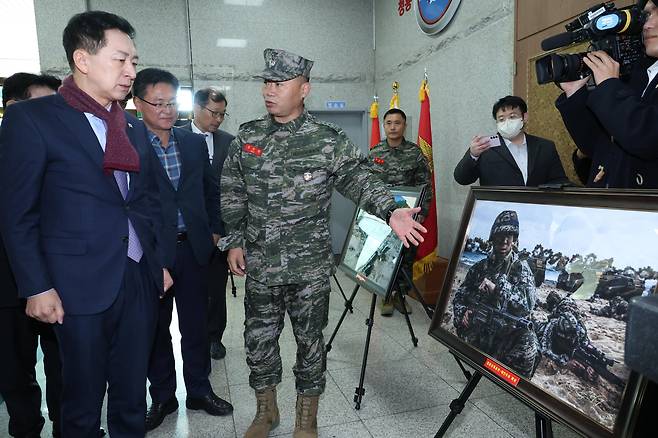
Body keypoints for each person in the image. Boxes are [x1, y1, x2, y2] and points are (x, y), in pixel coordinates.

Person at [220, 48, 426, 438]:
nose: (269, 90)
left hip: (309, 267)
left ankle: (306, 419)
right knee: (258, 339)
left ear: (304, 89)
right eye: (266, 82)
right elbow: (233, 191)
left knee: (310, 342)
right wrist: (233, 240)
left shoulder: (328, 140)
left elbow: (359, 180)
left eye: (279, 83)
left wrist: (392, 208)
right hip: (261, 263)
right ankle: (267, 411)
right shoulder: (248, 136)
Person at [0, 11, 172, 437]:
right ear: (82, 59)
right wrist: (36, 285)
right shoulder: (34, 119)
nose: (132, 71)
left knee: (133, 397)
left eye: (134, 60)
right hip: (75, 285)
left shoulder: (130, 125)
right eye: (121, 60)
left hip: (135, 278)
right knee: (80, 402)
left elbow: (146, 201)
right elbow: (17, 213)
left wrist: (157, 263)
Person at [131, 68, 232, 431]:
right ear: (137, 102)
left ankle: (200, 390)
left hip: (194, 249)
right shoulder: (127, 142)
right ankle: (162, 396)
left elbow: (210, 190)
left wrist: (217, 230)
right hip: (152, 253)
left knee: (196, 325)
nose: (166, 110)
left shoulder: (190, 142)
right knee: (157, 329)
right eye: (157, 103)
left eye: (172, 102)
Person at [0, 73, 75, 438]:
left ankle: (69, 425)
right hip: (6, 283)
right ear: (14, 108)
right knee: (15, 369)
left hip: (60, 278)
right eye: (43, 107)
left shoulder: (57, 151)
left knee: (65, 363)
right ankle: (26, 428)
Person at [556, 0, 658, 188]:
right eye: (647, 15)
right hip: (611, 208)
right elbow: (597, 146)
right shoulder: (639, 74)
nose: (648, 24)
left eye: (656, 13)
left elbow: (647, 138)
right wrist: (575, 94)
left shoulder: (618, 84)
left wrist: (610, 86)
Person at [452, 210, 539, 378]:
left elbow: (527, 306)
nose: (505, 240)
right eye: (501, 234)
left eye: (510, 235)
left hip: (505, 335)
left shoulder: (521, 269)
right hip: (479, 329)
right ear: (493, 236)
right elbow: (460, 296)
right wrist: (463, 312)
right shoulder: (479, 267)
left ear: (514, 239)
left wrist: (498, 288)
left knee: (529, 342)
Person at [181, 87, 234, 360]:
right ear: (197, 108)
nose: (218, 120)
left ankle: (215, 336)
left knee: (216, 287)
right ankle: (193, 337)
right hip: (185, 230)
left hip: (218, 228)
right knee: (190, 289)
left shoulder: (228, 141)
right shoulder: (177, 135)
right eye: (214, 113)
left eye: (223, 114)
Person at [369, 108, 431, 316]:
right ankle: (385, 295)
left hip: (408, 215)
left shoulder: (414, 153)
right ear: (384, 126)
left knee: (406, 255)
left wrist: (423, 212)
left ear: (404, 126)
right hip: (382, 215)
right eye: (389, 123)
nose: (393, 126)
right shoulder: (375, 152)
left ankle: (400, 296)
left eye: (397, 123)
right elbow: (367, 184)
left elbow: (425, 184)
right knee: (384, 253)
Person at [454, 95, 569, 187]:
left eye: (512, 117)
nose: (507, 122)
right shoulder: (485, 147)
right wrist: (473, 155)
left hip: (536, 211)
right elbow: (462, 179)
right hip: (499, 212)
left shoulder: (545, 147)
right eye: (501, 119)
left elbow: (559, 180)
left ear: (524, 117)